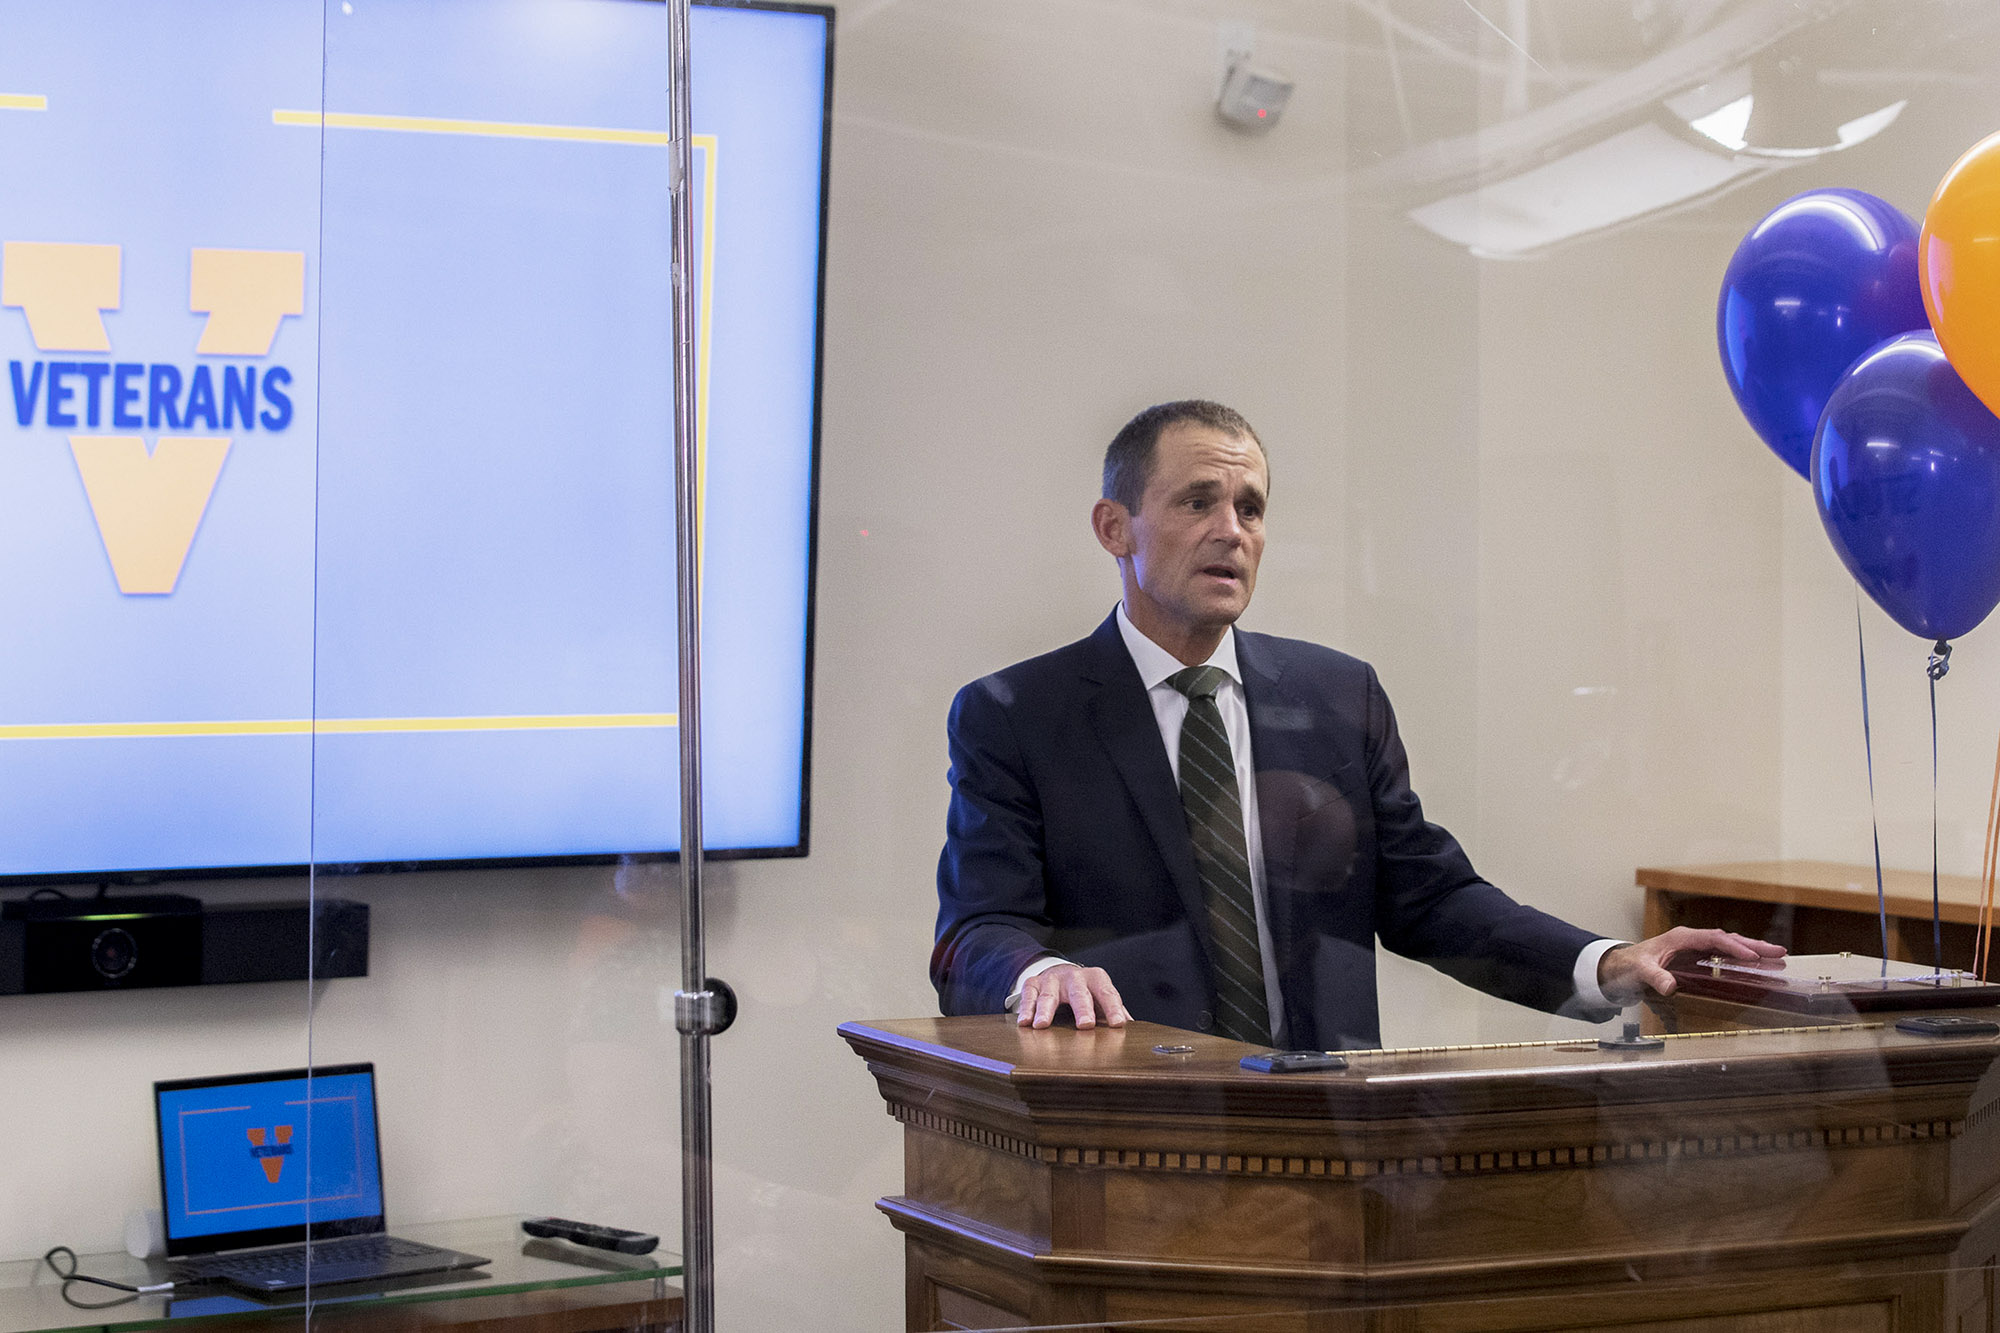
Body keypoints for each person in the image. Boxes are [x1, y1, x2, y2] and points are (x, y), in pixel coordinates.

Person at [930, 399, 1782, 1049]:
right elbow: (978, 928)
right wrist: (1039, 972)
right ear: (1115, 528)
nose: (1232, 530)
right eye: (1198, 501)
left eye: (1252, 508)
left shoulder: (1338, 696)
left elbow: (1430, 897)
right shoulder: (1018, 717)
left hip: (1330, 1140)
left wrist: (1604, 962)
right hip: (1126, 1136)